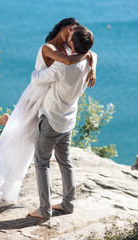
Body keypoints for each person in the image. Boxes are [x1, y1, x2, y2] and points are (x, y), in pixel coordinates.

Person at [0, 18, 97, 203]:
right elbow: (76, 58)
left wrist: (91, 65)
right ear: (62, 28)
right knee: (29, 132)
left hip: (50, 93)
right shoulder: (49, 48)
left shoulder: (71, 53)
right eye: (70, 29)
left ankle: (10, 119)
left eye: (74, 31)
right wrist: (88, 61)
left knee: (31, 138)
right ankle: (10, 119)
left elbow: (86, 55)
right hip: (41, 92)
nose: (71, 33)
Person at [28, 26, 96, 219]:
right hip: (68, 121)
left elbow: (37, 79)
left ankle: (44, 210)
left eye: (70, 37)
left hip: (51, 120)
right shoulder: (88, 64)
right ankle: (68, 204)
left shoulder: (62, 66)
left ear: (72, 43)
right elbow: (92, 55)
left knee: (41, 163)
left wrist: (37, 71)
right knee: (66, 162)